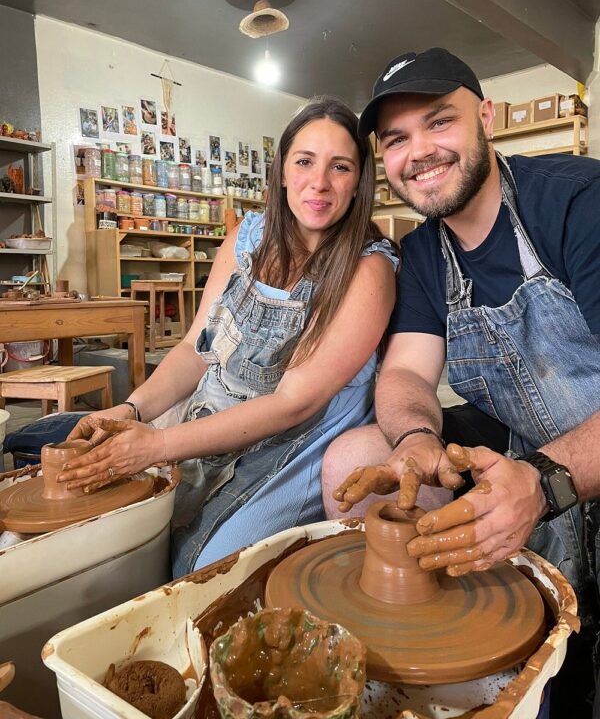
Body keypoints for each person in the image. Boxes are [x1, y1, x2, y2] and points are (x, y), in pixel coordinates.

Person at [321, 49, 600, 717]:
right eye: (396, 140)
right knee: (357, 457)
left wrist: (545, 481)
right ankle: (410, 648)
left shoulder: (574, 200)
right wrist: (415, 441)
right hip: (527, 444)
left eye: (439, 123)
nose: (420, 152)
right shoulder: (421, 253)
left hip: (569, 460)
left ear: (486, 118)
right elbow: (407, 374)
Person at [52, 96, 398, 577]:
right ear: (280, 171)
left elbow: (293, 404)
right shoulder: (248, 237)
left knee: (203, 569)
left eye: (340, 167)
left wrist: (157, 445)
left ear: (359, 182)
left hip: (296, 439)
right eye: (304, 162)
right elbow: (196, 349)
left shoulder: (369, 267)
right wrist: (131, 411)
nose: (319, 183)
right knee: (124, 533)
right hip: (216, 416)